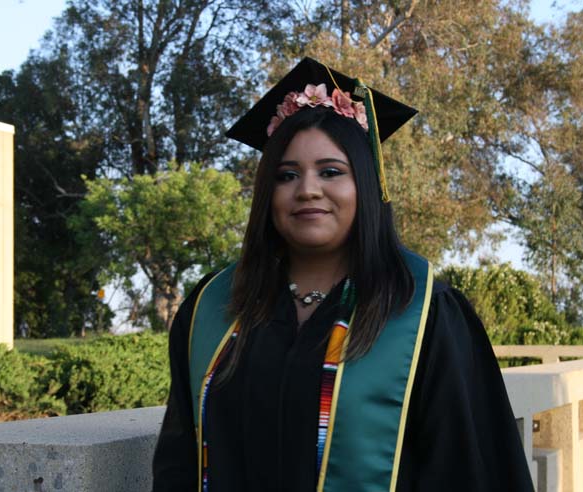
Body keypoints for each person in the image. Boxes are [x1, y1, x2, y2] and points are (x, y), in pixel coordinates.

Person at [152, 58, 534, 492]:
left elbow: (467, 470)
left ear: (367, 186)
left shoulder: (423, 312)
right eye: (286, 175)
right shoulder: (215, 309)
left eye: (331, 172)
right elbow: (178, 463)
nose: (307, 189)